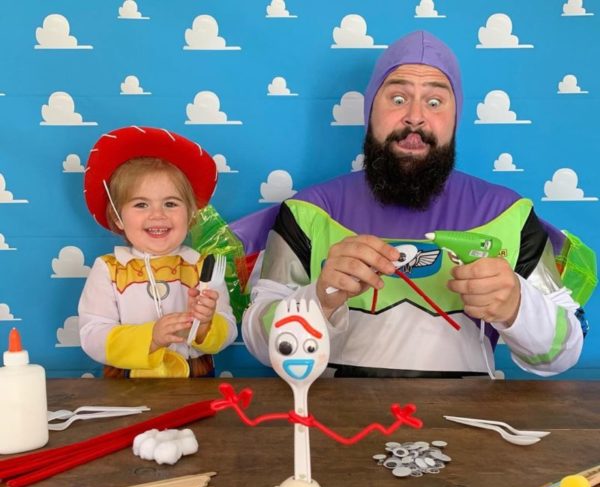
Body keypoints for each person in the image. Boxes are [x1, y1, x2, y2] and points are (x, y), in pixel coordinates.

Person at [237, 30, 591, 378]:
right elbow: (260, 343)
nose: (415, 117)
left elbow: (562, 354)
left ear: (455, 117)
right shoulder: (308, 211)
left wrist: (516, 306)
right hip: (335, 414)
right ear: (369, 110)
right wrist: (319, 298)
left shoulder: (509, 214)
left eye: (435, 102)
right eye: (397, 98)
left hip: (468, 414)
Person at [79, 126, 237, 378]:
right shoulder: (109, 269)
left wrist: (205, 325)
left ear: (191, 213)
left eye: (170, 203)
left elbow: (228, 327)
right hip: (128, 385)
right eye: (141, 204)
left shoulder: (202, 267)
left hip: (195, 381)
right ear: (118, 217)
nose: (158, 215)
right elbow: (92, 335)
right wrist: (151, 337)